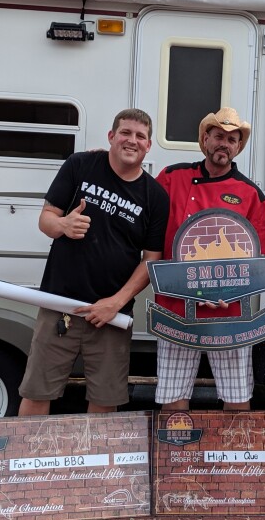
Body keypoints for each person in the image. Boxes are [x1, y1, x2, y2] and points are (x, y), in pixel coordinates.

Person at [18, 108, 169, 416]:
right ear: (111, 136)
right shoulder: (81, 165)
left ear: (149, 146)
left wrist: (116, 302)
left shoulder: (156, 196)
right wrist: (62, 226)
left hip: (110, 316)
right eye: (125, 133)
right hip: (59, 305)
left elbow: (152, 259)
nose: (132, 141)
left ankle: (96, 464)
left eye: (140, 136)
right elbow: (46, 218)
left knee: (105, 399)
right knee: (37, 391)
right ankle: (30, 463)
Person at [154, 107, 265, 411]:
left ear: (238, 147)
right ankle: (176, 456)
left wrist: (227, 292)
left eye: (232, 139)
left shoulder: (252, 195)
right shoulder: (171, 177)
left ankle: (232, 458)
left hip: (228, 312)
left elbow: (258, 262)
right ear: (205, 139)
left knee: (237, 401)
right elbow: (139, 203)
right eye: (218, 136)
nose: (224, 144)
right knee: (173, 400)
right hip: (176, 308)